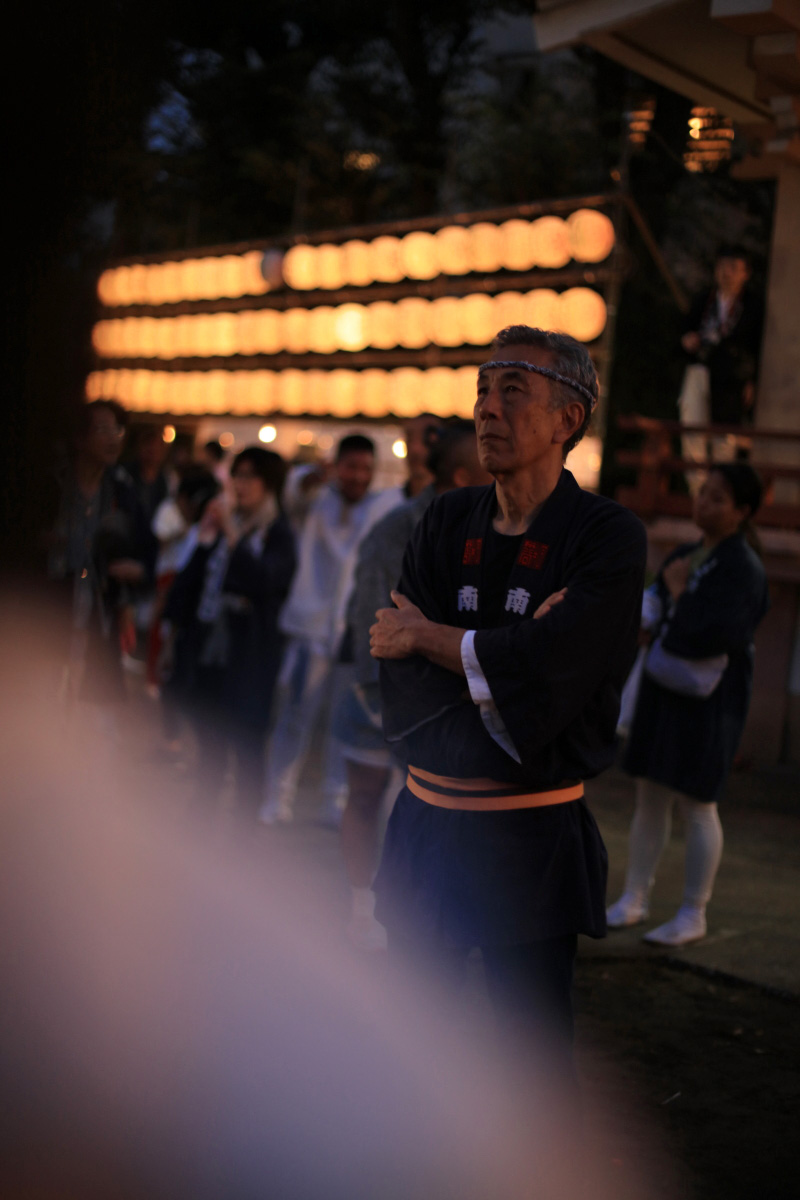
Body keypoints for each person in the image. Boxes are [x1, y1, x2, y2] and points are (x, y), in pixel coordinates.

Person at [369, 326, 646, 1064]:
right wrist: (509, 652)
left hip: (530, 840)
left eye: (513, 391)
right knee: (406, 1049)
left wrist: (432, 638)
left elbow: (561, 675)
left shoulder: (606, 536)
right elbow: (394, 657)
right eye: (482, 391)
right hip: (426, 825)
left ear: (568, 419)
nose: (487, 409)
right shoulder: (445, 517)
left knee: (530, 1060)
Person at [338, 421, 492, 951]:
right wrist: (378, 690)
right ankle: (361, 907)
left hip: (451, 697)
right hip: (382, 688)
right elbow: (367, 613)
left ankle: (423, 915)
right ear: (462, 475)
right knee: (366, 796)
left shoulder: (497, 528)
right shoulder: (400, 526)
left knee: (433, 811)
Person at [608, 463, 768, 946]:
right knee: (649, 795)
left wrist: (676, 595)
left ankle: (693, 912)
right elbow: (654, 600)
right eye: (703, 493)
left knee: (698, 803)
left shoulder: (743, 568)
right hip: (663, 687)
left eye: (718, 499)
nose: (704, 504)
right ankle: (634, 897)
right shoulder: (687, 553)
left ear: (742, 511)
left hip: (710, 698)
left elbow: (714, 633)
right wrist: (648, 613)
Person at [260, 434, 400, 826]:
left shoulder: (379, 507)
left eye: (366, 469)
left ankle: (334, 801)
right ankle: (276, 798)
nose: (359, 476)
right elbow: (293, 491)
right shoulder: (316, 501)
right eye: (351, 467)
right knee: (295, 715)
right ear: (336, 467)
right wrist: (313, 474)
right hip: (309, 629)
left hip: (353, 632)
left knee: (343, 721)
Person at [163, 447, 295, 817]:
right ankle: (200, 824)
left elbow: (265, 581)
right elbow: (185, 589)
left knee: (247, 751)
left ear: (270, 483)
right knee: (209, 747)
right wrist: (205, 541)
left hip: (250, 659)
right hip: (211, 654)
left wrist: (232, 535)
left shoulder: (278, 533)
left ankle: (243, 834)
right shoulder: (222, 526)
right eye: (237, 475)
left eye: (250, 476)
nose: (241, 484)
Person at [47, 400, 150, 709]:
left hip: (98, 609)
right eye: (102, 429)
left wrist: (136, 572)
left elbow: (143, 546)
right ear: (79, 438)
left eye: (117, 430)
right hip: (50, 602)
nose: (113, 438)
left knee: (88, 701)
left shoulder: (121, 489)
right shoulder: (53, 485)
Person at [677, 246, 763, 486]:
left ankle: (722, 491)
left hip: (730, 377)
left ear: (745, 273)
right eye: (723, 266)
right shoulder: (704, 299)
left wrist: (751, 381)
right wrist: (687, 340)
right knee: (692, 429)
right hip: (699, 368)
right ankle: (698, 490)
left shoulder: (752, 306)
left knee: (725, 437)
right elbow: (684, 331)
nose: (727, 273)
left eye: (734, 268)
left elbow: (754, 346)